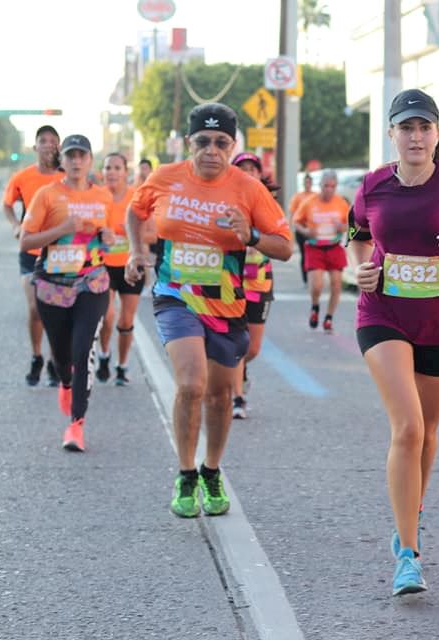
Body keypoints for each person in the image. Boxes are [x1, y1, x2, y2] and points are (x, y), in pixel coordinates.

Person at [349, 89, 439, 596]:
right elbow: (358, 235)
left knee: (428, 433)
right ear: (392, 134)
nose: (415, 136)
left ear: (436, 135)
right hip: (382, 314)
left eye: (424, 128)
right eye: (406, 127)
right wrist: (358, 270)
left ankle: (409, 509)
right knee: (407, 428)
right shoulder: (371, 186)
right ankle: (408, 554)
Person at [124, 103, 293, 518]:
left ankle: (211, 469)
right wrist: (135, 250)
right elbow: (135, 209)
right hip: (175, 294)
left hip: (227, 302)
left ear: (233, 146)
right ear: (189, 143)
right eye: (203, 142)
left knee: (219, 395)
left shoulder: (248, 189)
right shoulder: (164, 178)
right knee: (191, 383)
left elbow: (285, 246)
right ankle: (185, 473)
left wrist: (250, 234)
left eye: (221, 143)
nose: (211, 150)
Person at [19, 134, 114, 452]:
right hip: (52, 286)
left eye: (82, 155)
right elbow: (26, 242)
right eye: (70, 155)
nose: (76, 161)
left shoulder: (103, 196)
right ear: (63, 161)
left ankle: (76, 425)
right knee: (62, 356)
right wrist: (62, 230)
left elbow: (107, 237)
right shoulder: (47, 195)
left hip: (92, 282)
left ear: (90, 161)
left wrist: (107, 238)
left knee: (81, 348)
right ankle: (64, 379)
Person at [3, 125, 63, 387]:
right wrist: (16, 225)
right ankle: (37, 356)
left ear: (59, 146)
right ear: (35, 146)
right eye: (43, 141)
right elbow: (7, 204)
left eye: (53, 141)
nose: (48, 145)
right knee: (36, 308)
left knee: (57, 311)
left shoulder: (66, 177)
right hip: (31, 251)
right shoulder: (23, 177)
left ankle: (53, 361)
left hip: (61, 254)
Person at [229, 152, 278, 419]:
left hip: (259, 281)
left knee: (252, 348)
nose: (248, 173)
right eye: (242, 168)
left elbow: (282, 240)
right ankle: (238, 398)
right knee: (237, 343)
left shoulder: (268, 204)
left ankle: (239, 370)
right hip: (231, 281)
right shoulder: (222, 201)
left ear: (260, 174)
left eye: (252, 169)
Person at [96, 152, 151, 386]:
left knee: (126, 320)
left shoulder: (136, 198)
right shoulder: (95, 197)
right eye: (108, 167)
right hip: (102, 266)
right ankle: (104, 354)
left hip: (130, 266)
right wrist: (100, 234)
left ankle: (122, 365)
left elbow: (153, 233)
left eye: (117, 168)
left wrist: (126, 231)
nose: (112, 172)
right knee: (108, 317)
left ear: (125, 173)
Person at [293, 169, 350, 333]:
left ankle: (329, 318)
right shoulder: (310, 202)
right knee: (317, 285)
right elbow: (296, 221)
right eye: (326, 186)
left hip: (333, 246)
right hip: (314, 247)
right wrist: (305, 232)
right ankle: (315, 307)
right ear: (320, 185)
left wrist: (344, 227)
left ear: (336, 186)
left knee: (336, 284)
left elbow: (352, 225)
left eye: (332, 186)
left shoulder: (341, 203)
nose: (329, 189)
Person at [288, 173, 315, 284]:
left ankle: (313, 274)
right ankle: (305, 277)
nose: (307, 184)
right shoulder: (298, 197)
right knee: (304, 253)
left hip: (312, 229)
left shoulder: (315, 196)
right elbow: (293, 214)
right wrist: (291, 229)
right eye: (306, 182)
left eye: (309, 182)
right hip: (300, 228)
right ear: (303, 183)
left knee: (313, 253)